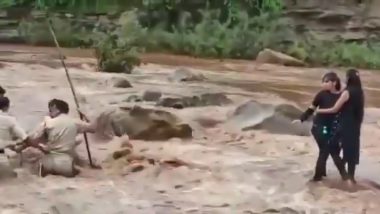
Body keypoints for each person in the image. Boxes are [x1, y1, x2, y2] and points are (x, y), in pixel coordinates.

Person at [295, 72, 347, 182]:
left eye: (326, 81)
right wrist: (301, 119)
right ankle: (318, 178)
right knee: (326, 149)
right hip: (320, 127)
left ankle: (325, 175)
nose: (323, 84)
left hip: (333, 128)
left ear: (334, 83)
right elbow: (311, 108)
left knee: (332, 151)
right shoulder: (321, 94)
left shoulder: (342, 96)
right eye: (322, 82)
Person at [25, 98, 96, 177]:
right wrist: (85, 116)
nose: (49, 112)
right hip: (67, 164)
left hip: (48, 163)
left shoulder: (47, 122)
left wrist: (40, 146)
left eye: (50, 110)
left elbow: (31, 138)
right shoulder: (75, 122)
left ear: (56, 109)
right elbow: (94, 128)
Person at [316, 69, 364, 185]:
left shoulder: (347, 92)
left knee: (331, 146)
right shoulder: (360, 92)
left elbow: (335, 109)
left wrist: (319, 110)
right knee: (352, 150)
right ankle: (351, 178)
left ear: (348, 78)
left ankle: (339, 171)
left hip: (344, 124)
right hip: (356, 125)